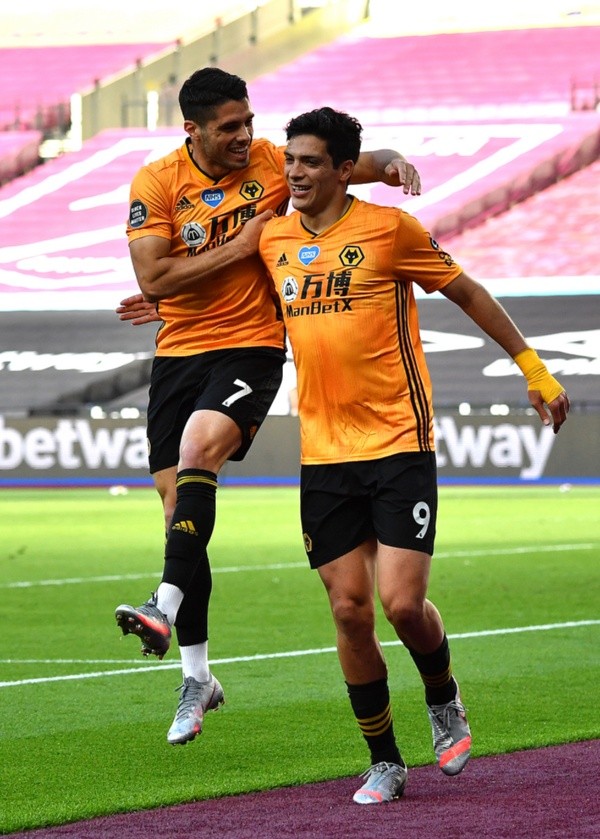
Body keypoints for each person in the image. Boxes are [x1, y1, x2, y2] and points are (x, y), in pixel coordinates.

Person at [257, 106, 569, 804]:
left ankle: (442, 694)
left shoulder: (388, 229)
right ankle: (385, 760)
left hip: (399, 439)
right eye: (290, 161)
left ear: (344, 171)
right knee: (347, 610)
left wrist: (533, 366)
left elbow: (467, 291)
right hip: (323, 452)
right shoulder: (271, 237)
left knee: (401, 604)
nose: (295, 173)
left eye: (310, 162)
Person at [113, 67, 422, 747]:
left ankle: (160, 605)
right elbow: (153, 275)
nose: (246, 136)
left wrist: (393, 163)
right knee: (178, 519)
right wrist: (240, 246)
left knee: (199, 450)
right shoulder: (157, 182)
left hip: (250, 346)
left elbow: (349, 165)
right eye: (230, 127)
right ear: (191, 129)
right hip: (176, 356)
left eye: (249, 122)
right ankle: (198, 675)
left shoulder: (268, 164)